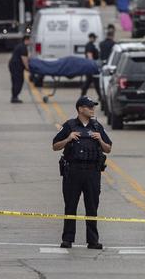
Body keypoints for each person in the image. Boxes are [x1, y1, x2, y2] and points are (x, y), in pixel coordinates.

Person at [52, 96, 112, 249]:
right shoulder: (70, 125)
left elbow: (108, 149)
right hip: (73, 171)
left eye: (93, 107)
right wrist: (68, 139)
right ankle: (67, 239)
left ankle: (92, 240)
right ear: (80, 109)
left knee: (92, 206)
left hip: (92, 172)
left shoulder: (97, 127)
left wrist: (100, 140)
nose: (92, 109)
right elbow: (55, 146)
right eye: (89, 106)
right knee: (70, 205)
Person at [8, 35, 31, 103]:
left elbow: (25, 58)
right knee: (19, 81)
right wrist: (27, 68)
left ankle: (14, 96)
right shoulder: (23, 47)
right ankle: (14, 97)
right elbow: (24, 59)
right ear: (26, 40)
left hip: (13, 65)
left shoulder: (20, 46)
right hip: (16, 66)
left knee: (15, 81)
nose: (30, 42)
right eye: (29, 40)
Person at [81, 33, 101, 100]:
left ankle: (83, 95)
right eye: (94, 38)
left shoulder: (90, 45)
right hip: (91, 67)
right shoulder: (90, 46)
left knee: (89, 82)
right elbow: (90, 55)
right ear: (91, 38)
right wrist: (93, 65)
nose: (95, 39)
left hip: (90, 66)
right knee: (95, 82)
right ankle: (100, 96)